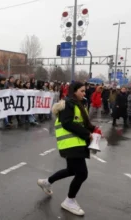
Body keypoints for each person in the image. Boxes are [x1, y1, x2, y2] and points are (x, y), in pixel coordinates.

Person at [37, 82, 96, 216]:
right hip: (70, 143)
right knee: (82, 173)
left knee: (71, 170)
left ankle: (47, 182)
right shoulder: (67, 104)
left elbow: (82, 122)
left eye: (84, 91)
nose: (84, 93)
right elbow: (67, 123)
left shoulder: (78, 104)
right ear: (74, 91)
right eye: (81, 91)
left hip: (76, 143)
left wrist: (94, 130)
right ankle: (69, 201)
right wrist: (87, 134)